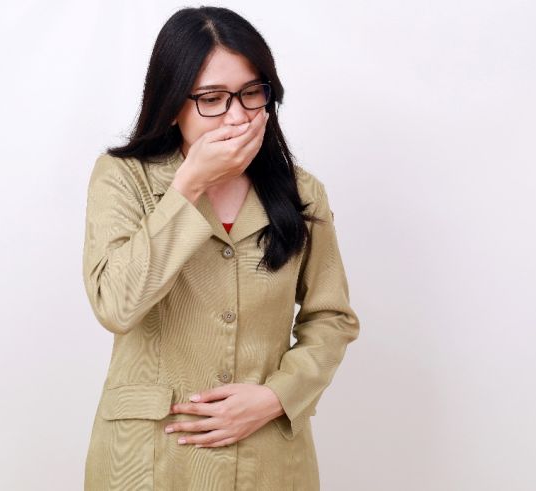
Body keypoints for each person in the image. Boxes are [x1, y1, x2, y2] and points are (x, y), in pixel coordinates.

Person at [81, 6, 360, 490]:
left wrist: (277, 397)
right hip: (148, 459)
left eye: (252, 93)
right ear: (172, 104)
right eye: (212, 98)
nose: (237, 115)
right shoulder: (122, 178)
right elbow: (116, 305)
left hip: (266, 457)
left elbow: (332, 318)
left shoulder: (301, 191)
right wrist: (188, 186)